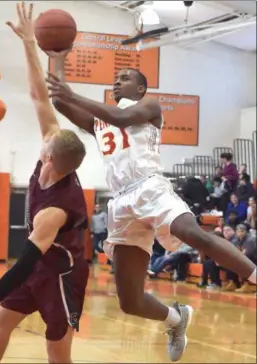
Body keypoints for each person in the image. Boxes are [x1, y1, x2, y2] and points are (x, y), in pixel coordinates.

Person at [46, 42, 257, 363]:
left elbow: (119, 116)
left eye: (125, 77)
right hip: (121, 202)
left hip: (150, 187)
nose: (117, 81)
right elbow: (60, 100)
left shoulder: (149, 107)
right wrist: (57, 59)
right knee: (129, 301)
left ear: (141, 87)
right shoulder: (98, 121)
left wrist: (73, 94)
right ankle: (176, 319)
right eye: (115, 77)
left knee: (194, 233)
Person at [0, 3, 88, 364]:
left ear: (51, 159)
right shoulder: (55, 151)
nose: (42, 139)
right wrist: (28, 42)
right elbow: (40, 95)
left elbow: (22, 264)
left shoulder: (54, 212)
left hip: (60, 277)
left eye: (45, 145)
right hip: (39, 268)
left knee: (56, 353)